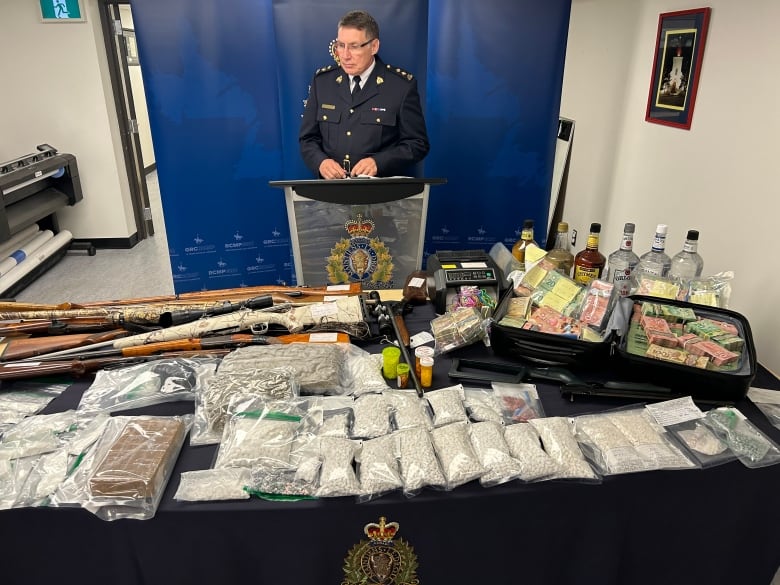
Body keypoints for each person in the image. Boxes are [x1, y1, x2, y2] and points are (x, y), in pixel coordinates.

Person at [299, 10, 430, 179]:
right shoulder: (322, 82)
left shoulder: (400, 86)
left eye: (354, 46)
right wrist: (321, 162)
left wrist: (379, 162)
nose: (345, 55)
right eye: (340, 45)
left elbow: (417, 144)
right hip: (332, 192)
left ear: (374, 46)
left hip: (381, 193)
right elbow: (307, 139)